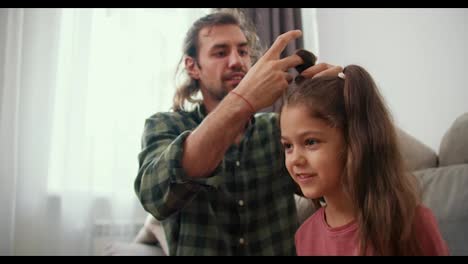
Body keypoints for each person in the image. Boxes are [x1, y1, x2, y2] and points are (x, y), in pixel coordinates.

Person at [133, 11, 341, 256]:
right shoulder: (165, 125)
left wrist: (340, 106)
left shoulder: (278, 131)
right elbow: (155, 197)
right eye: (220, 53)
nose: (237, 62)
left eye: (243, 52)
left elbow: (343, 184)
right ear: (192, 66)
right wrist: (244, 100)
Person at [280, 65, 450, 256]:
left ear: (355, 142)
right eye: (288, 146)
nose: (295, 159)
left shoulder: (412, 224)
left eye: (310, 142)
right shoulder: (305, 236)